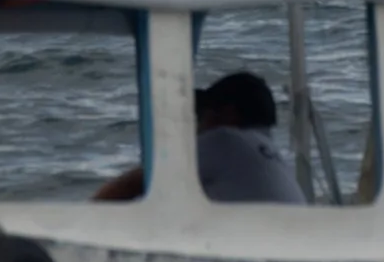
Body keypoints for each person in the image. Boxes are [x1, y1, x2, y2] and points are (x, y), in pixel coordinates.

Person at [92, 68, 306, 206]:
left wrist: (88, 216)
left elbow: (136, 182)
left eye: (201, 115)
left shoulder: (224, 141)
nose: (197, 126)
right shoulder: (270, 155)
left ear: (228, 115)